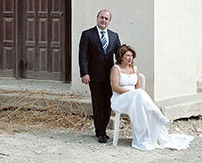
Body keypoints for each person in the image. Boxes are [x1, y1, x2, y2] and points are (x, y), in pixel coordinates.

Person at [110, 44, 193, 151]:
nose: (130, 58)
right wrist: (132, 93)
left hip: (135, 98)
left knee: (139, 95)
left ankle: (146, 137)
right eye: (127, 55)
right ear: (121, 57)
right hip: (121, 99)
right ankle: (159, 117)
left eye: (131, 56)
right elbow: (115, 88)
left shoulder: (135, 69)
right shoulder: (116, 69)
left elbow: (139, 88)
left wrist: (135, 94)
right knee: (138, 94)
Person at [78, 9, 121, 143]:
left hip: (110, 77)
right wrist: (84, 73)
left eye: (106, 18)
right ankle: (100, 132)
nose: (103, 20)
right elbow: (82, 55)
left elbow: (120, 55)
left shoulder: (114, 36)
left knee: (107, 103)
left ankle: (104, 129)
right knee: (98, 103)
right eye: (101, 17)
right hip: (94, 76)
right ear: (97, 18)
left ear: (109, 21)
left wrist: (125, 69)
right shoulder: (87, 34)